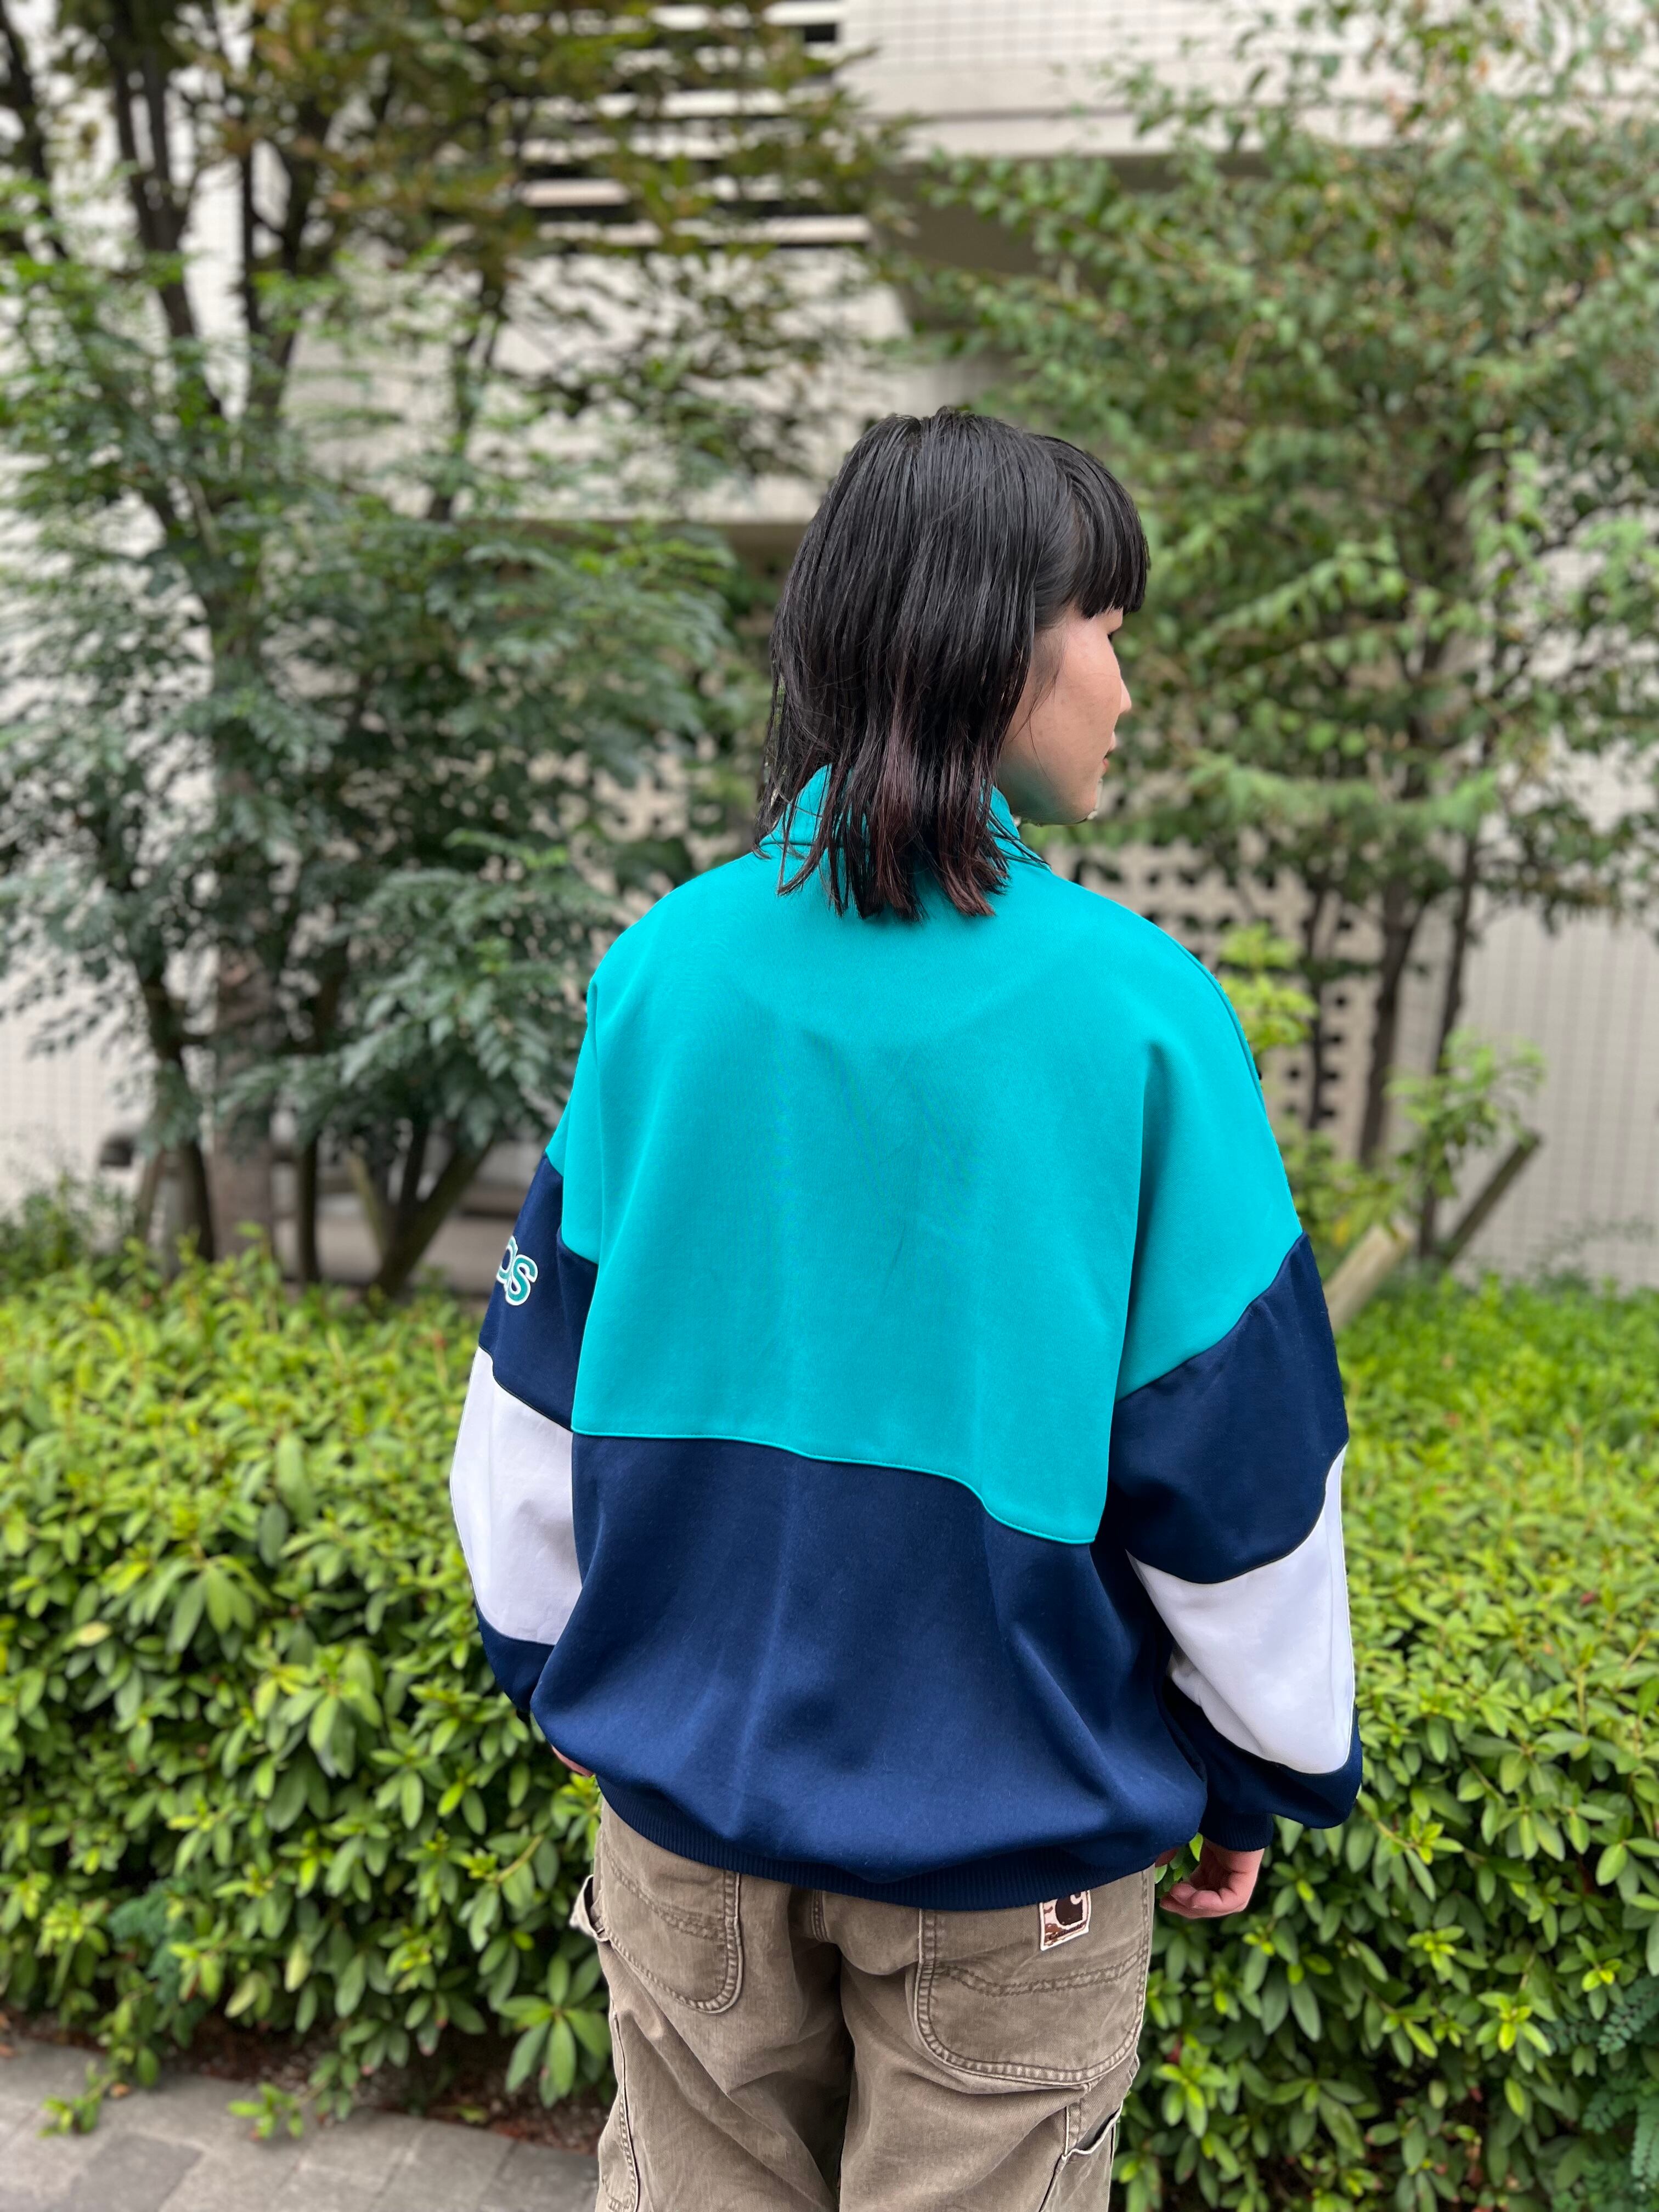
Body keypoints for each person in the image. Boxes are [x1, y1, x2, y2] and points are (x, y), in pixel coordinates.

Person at [448, 409, 1361, 2211]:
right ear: (993, 642)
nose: (1124, 682)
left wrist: (591, 1688)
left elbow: (530, 1411)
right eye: (1105, 626)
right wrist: (1261, 1774)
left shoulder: (664, 969)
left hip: (683, 1829)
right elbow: (1243, 1487)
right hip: (1010, 1862)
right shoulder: (1143, 1016)